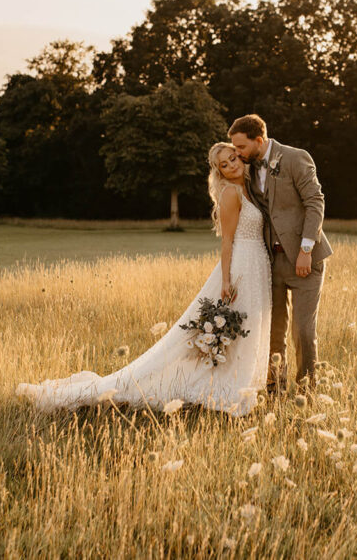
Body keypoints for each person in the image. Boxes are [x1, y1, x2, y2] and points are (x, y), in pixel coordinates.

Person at [15, 143, 272, 417]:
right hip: (241, 266)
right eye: (224, 164)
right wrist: (225, 280)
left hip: (257, 265)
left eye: (233, 158)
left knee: (248, 328)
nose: (232, 164)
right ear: (218, 171)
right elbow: (228, 241)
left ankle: (241, 384)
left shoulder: (250, 188)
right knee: (221, 330)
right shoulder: (231, 193)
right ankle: (225, 390)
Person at [228, 114, 332, 395]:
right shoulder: (247, 169)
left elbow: (315, 202)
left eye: (240, 147)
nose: (236, 153)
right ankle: (275, 387)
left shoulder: (297, 158)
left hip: (304, 260)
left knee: (303, 331)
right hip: (268, 262)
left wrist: (306, 250)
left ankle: (307, 390)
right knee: (274, 331)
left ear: (258, 141)